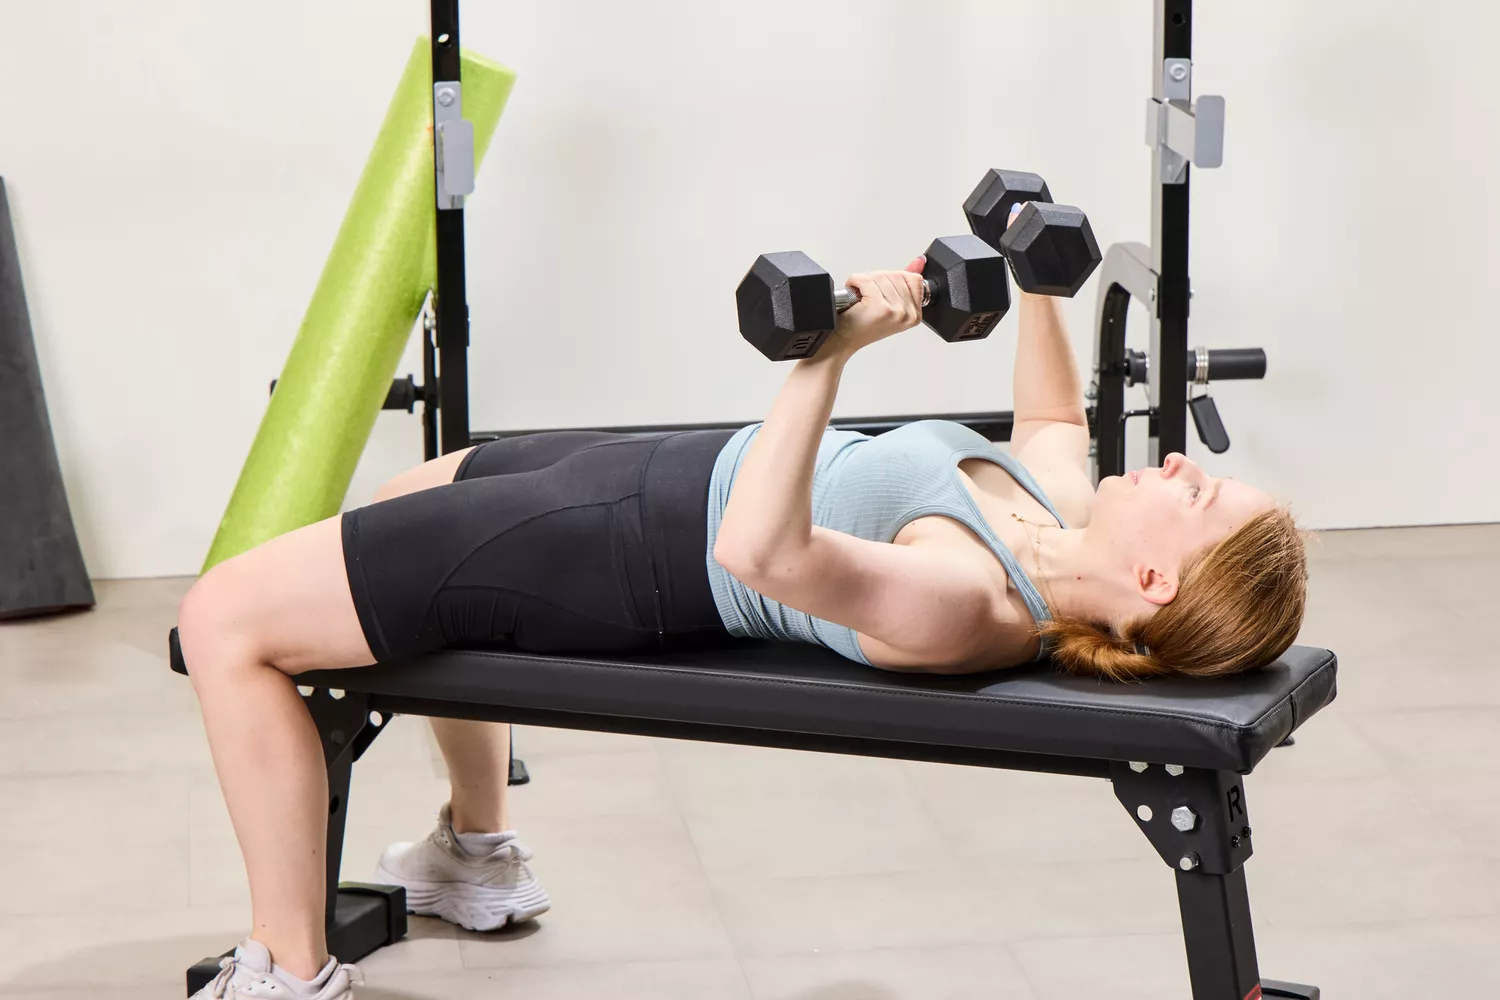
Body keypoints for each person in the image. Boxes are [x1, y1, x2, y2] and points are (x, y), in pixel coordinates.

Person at [177, 241, 1307, 999]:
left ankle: (291, 971)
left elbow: (758, 552)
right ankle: (475, 857)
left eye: (1197, 494)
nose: (1174, 463)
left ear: (1156, 585)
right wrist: (1041, 267)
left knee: (226, 616)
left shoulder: (970, 600)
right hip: (654, 475)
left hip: (623, 552)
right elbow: (1053, 413)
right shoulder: (1057, 513)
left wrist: (834, 357)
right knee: (398, 503)